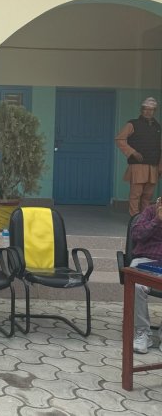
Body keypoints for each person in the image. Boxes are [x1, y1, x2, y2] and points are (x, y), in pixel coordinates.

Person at [115, 97, 162, 216]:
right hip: (138, 165)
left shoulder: (158, 127)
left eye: (151, 109)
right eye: (146, 109)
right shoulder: (132, 124)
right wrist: (132, 152)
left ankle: (144, 218)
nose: (148, 112)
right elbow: (120, 139)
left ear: (154, 111)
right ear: (141, 110)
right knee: (136, 194)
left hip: (153, 166)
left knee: (148, 195)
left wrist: (160, 166)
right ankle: (134, 219)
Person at [129, 199, 162, 354]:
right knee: (137, 285)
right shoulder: (150, 211)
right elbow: (136, 235)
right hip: (145, 260)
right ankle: (142, 333)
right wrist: (157, 220)